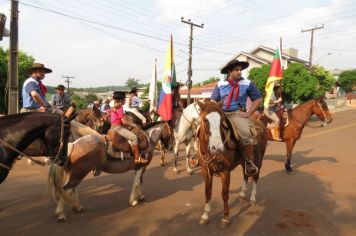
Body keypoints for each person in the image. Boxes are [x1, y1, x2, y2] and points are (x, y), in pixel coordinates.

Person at [210, 59, 262, 175]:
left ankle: (248, 162)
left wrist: (249, 113)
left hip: (237, 113)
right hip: (221, 113)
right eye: (237, 70)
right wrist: (214, 109)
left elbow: (258, 99)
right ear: (229, 72)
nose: (240, 72)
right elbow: (213, 99)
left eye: (240, 70)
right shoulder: (220, 84)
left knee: (247, 134)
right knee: (205, 127)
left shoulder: (248, 83)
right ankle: (204, 157)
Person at [108, 91, 148, 165]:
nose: (126, 100)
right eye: (124, 99)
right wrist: (133, 125)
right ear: (121, 100)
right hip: (118, 128)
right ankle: (137, 158)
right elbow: (125, 122)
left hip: (113, 127)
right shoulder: (119, 108)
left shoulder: (114, 106)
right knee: (134, 137)